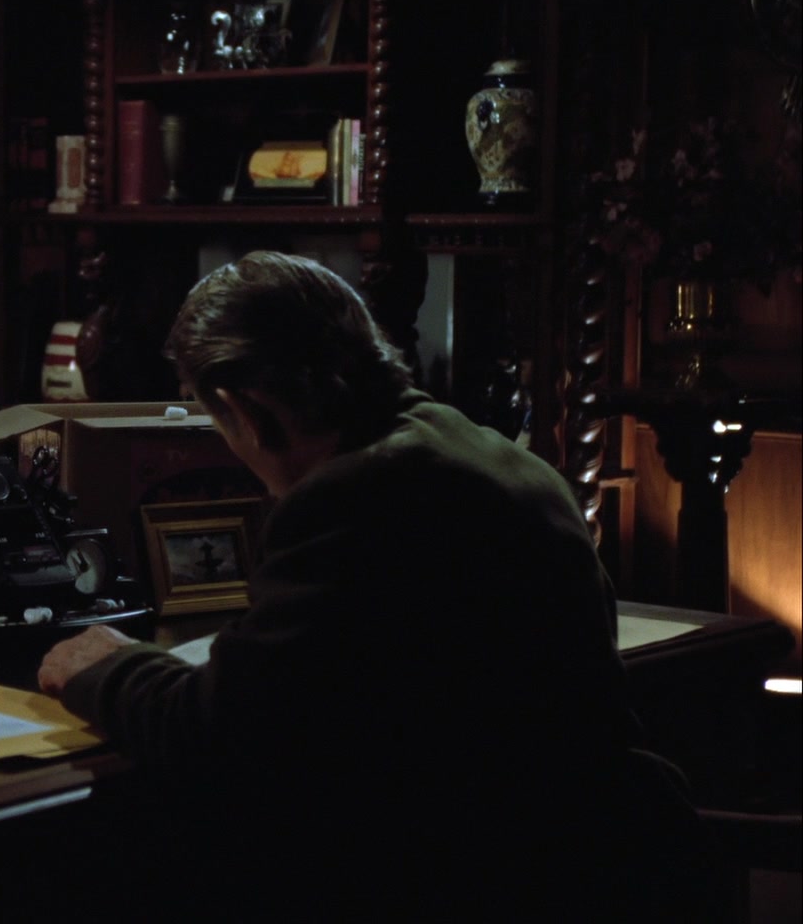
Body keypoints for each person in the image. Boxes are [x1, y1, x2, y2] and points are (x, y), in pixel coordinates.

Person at [38, 251, 722, 921]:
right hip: (596, 866)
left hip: (487, 880)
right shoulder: (486, 451)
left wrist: (105, 667)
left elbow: (218, 735)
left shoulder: (354, 496)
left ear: (246, 407)